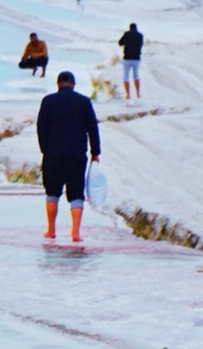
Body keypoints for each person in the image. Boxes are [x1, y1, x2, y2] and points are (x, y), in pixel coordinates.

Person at [36, 70, 101, 243]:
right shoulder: (84, 102)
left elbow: (41, 127)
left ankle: (51, 230)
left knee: (52, 193)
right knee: (76, 194)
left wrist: (45, 149)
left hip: (53, 155)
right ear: (73, 84)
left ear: (58, 84)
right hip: (77, 156)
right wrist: (95, 152)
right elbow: (93, 129)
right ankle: (75, 233)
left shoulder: (48, 101)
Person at [117, 23, 144, 100]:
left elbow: (120, 43)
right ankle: (138, 93)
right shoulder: (140, 35)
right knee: (136, 75)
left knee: (126, 76)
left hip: (127, 57)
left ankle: (128, 94)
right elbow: (141, 44)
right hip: (136, 58)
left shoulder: (127, 34)